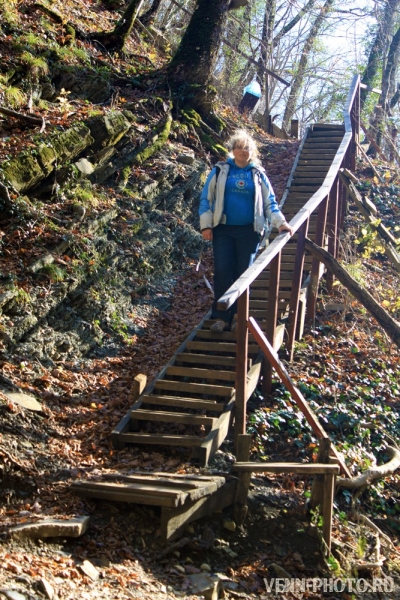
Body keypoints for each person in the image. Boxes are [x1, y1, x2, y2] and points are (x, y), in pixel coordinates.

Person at [199, 129, 294, 333]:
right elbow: (206, 199)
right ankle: (221, 317)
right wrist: (206, 225)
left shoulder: (258, 175)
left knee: (244, 274)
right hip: (223, 230)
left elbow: (270, 203)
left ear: (253, 152)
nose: (243, 151)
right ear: (232, 150)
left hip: (249, 232)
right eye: (239, 147)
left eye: (247, 147)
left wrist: (281, 223)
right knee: (223, 272)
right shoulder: (220, 170)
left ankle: (238, 317)